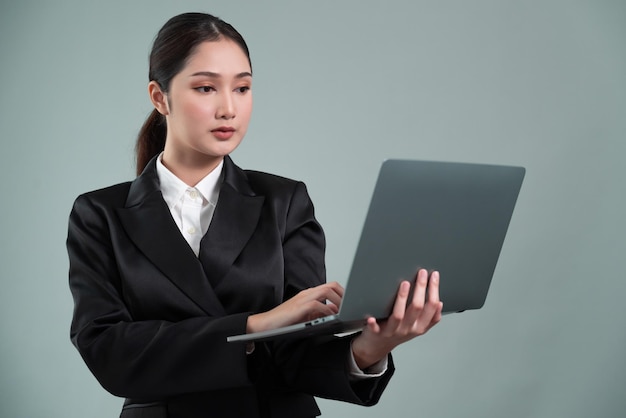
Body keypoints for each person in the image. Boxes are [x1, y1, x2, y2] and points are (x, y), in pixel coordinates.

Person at [67, 12, 443, 418]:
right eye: (206, 88)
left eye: (243, 88)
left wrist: (373, 346)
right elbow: (110, 352)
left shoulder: (284, 201)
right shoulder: (100, 214)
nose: (229, 108)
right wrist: (255, 325)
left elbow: (297, 355)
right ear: (160, 97)